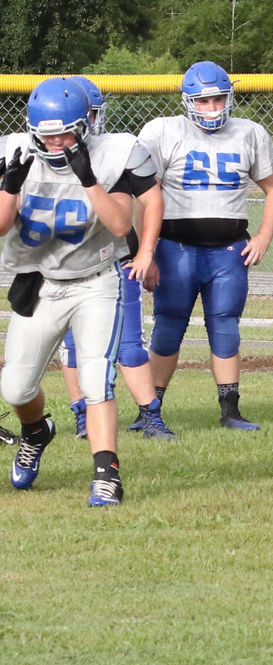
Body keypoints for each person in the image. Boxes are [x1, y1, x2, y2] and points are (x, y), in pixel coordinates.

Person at [1, 77, 160, 506]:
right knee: (15, 389)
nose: (57, 144)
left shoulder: (111, 156)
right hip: (41, 284)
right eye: (48, 136)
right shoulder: (14, 152)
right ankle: (37, 431)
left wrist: (88, 177)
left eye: (66, 133)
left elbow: (122, 225)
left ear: (86, 125)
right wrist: (9, 187)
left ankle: (106, 474)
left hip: (94, 282)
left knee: (95, 379)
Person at [138, 61, 273, 430]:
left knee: (225, 325)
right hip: (176, 246)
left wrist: (264, 235)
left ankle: (230, 409)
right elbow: (145, 194)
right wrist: (147, 250)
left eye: (219, 99)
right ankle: (150, 411)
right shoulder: (163, 131)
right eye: (203, 101)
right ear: (188, 102)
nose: (213, 108)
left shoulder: (249, 132)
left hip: (228, 250)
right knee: (168, 326)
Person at [58, 75, 174, 441]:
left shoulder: (118, 150)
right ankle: (82, 413)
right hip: (65, 262)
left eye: (91, 115)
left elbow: (152, 200)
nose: (87, 125)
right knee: (74, 343)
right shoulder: (38, 152)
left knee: (128, 341)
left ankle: (149, 414)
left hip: (115, 257)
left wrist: (145, 252)